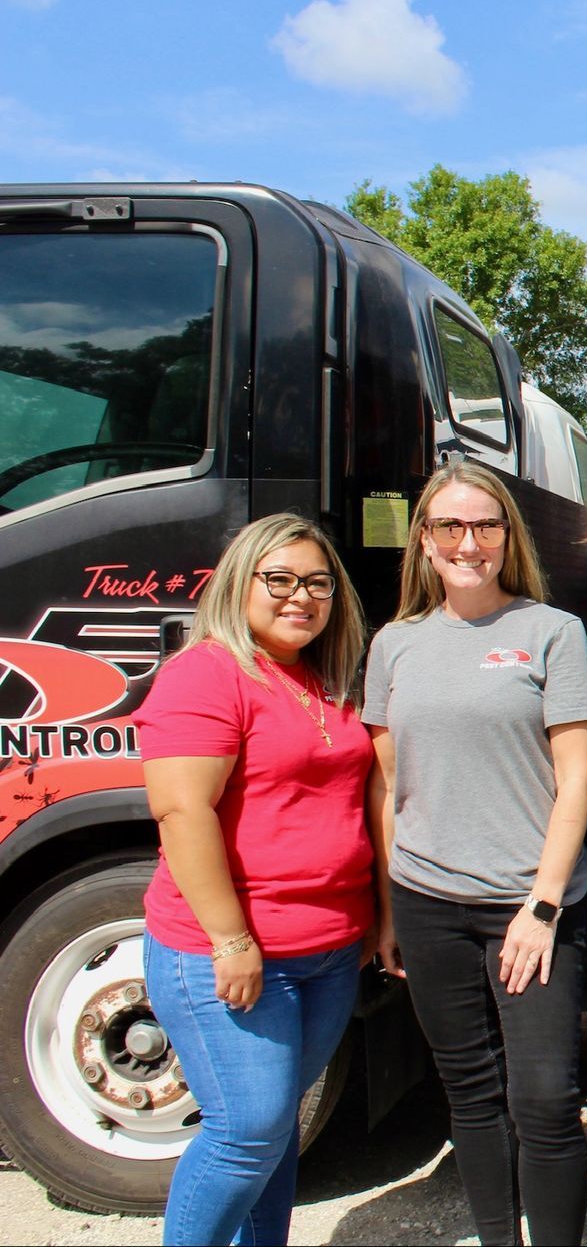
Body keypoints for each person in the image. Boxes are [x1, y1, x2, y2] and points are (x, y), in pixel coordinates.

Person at [362, 460, 587, 1247]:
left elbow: (577, 780)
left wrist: (542, 904)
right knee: (469, 1093)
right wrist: (390, 908)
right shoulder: (393, 645)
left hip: (529, 906)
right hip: (428, 904)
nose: (470, 542)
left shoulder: (552, 632)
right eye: (451, 527)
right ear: (424, 541)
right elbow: (389, 782)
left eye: (485, 526)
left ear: (507, 536)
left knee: (543, 1097)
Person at [136, 513, 374, 1247]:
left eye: (317, 583)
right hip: (236, 957)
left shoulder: (315, 678)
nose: (299, 596)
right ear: (240, 584)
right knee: (246, 1134)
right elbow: (181, 811)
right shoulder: (207, 674)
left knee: (274, 1136)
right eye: (279, 579)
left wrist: (363, 922)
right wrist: (230, 937)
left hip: (328, 953)